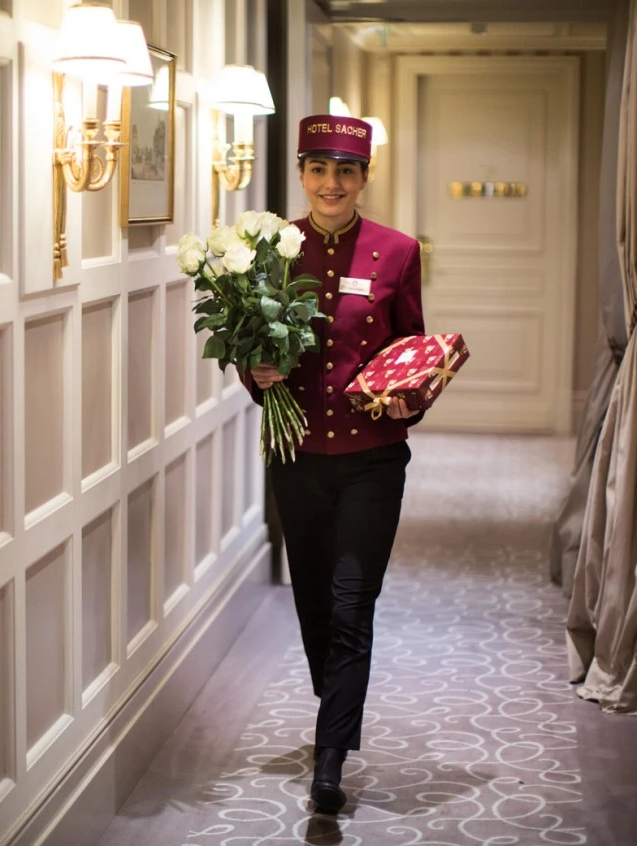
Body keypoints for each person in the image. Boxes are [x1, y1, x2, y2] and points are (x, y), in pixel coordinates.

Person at [242, 114, 425, 813]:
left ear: (364, 177)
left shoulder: (398, 251)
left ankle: (330, 758)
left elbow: (412, 350)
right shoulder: (270, 251)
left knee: (353, 606)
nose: (331, 183)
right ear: (302, 173)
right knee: (313, 601)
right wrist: (253, 375)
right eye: (318, 169)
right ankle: (337, 704)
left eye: (345, 170)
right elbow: (251, 351)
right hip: (297, 457)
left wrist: (413, 401)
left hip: (373, 459)